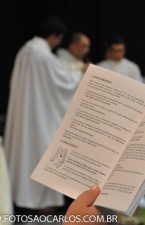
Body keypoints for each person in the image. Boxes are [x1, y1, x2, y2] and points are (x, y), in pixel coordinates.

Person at [4, 16, 87, 210]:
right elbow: (63, 83)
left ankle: (23, 196)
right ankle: (38, 201)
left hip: (27, 111)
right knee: (43, 153)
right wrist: (80, 73)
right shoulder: (43, 55)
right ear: (52, 36)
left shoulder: (25, 50)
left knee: (26, 153)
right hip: (39, 115)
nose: (58, 43)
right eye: (58, 39)